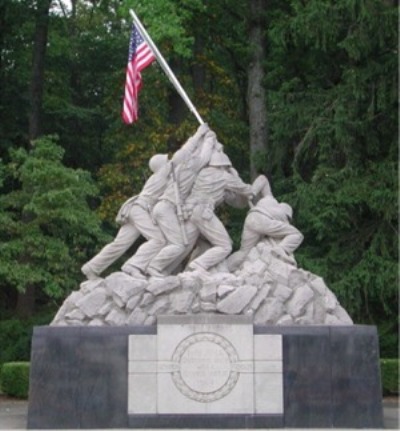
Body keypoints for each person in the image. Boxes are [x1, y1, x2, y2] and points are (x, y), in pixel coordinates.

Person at [81, 123, 209, 280]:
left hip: (136, 209)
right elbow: (182, 154)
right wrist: (198, 135)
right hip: (140, 210)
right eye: (167, 161)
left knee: (119, 244)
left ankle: (91, 268)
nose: (170, 162)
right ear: (163, 165)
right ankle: (133, 266)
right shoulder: (162, 173)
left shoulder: (161, 177)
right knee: (158, 240)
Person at [146, 147, 252, 275]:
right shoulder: (225, 177)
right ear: (224, 165)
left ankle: (159, 268)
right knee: (225, 245)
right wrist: (235, 175)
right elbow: (248, 191)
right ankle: (198, 264)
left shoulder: (202, 173)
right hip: (202, 214)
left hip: (190, 213)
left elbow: (234, 201)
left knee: (185, 246)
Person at [229, 174, 303, 268]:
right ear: (287, 215)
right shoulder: (283, 217)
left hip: (251, 217)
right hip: (263, 221)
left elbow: (263, 179)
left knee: (243, 252)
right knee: (297, 235)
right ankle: (281, 250)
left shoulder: (270, 199)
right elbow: (282, 238)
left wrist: (251, 192)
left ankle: (224, 267)